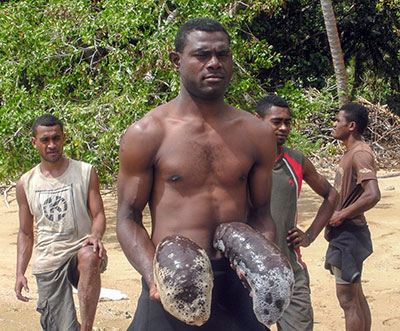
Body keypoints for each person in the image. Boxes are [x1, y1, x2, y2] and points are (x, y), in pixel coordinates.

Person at [117, 18, 277, 331]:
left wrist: (258, 265)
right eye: (202, 55)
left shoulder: (257, 134)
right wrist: (154, 276)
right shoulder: (148, 133)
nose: (214, 63)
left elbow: (261, 214)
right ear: (177, 61)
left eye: (223, 55)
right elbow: (128, 218)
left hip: (236, 282)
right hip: (172, 279)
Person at [14, 114, 107, 331]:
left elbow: (99, 214)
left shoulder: (85, 172)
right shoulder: (26, 183)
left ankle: (87, 328)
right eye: (45, 140)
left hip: (79, 252)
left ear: (64, 138)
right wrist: (20, 273)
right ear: (34, 142)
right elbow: (25, 233)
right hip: (48, 260)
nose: (52, 145)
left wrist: (95, 236)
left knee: (90, 254)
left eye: (56, 138)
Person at [255, 95, 338, 331]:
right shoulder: (241, 162)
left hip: (290, 271)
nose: (284, 128)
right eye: (276, 122)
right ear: (256, 120)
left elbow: (331, 195)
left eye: (288, 122)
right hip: (248, 275)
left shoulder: (296, 161)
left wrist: (310, 235)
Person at [324, 103, 380, 331]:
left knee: (348, 300)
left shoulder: (360, 154)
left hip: (348, 235)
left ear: (352, 126)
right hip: (349, 234)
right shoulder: (351, 153)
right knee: (356, 296)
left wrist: (341, 215)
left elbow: (373, 194)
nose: (334, 124)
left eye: (338, 120)